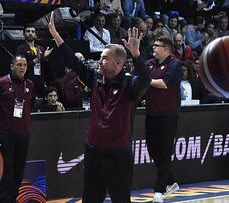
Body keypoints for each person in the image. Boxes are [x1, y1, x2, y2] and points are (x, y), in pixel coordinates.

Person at [48, 11, 150, 202]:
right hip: (93, 150)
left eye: (104, 58)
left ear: (118, 63)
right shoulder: (95, 78)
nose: (99, 61)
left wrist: (136, 56)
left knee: (120, 198)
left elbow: (146, 79)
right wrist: (55, 34)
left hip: (118, 154)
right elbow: (73, 61)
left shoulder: (129, 85)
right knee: (90, 198)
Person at [0, 55, 35, 203]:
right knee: (7, 174)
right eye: (19, 64)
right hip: (5, 134)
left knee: (18, 173)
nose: (22, 68)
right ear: (12, 66)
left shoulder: (30, 85)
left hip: (23, 134)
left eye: (24, 65)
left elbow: (30, 105)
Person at [145, 37, 182, 202]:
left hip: (168, 114)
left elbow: (164, 83)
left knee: (165, 151)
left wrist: (147, 80)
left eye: (157, 46)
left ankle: (159, 190)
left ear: (166, 49)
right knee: (153, 150)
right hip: (151, 113)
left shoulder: (174, 64)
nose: (153, 47)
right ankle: (171, 181)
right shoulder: (149, 63)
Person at [16, 23, 52, 98]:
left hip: (40, 82)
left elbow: (46, 67)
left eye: (32, 31)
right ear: (24, 33)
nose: (30, 33)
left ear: (35, 34)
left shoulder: (41, 48)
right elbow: (22, 67)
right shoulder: (21, 48)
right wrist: (36, 60)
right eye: (28, 31)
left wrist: (45, 58)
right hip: (27, 82)